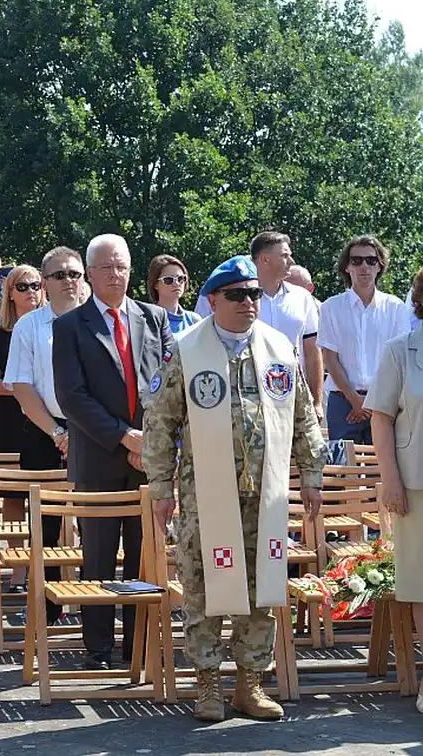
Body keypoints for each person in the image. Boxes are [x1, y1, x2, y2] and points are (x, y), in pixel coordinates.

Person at [143, 255, 326, 722]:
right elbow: (161, 422)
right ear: (213, 300)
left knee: (261, 585)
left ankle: (249, 685)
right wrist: (161, 486)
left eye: (254, 294)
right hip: (205, 496)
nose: (248, 303)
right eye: (237, 295)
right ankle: (207, 685)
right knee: (204, 587)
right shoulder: (188, 349)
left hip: (266, 495)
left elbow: (304, 415)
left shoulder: (278, 348)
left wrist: (311, 475)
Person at [53, 233, 174, 669]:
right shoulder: (69, 326)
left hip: (148, 461)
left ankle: (137, 647)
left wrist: (153, 440)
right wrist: (125, 436)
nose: (115, 275)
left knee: (143, 557)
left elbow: (166, 383)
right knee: (99, 558)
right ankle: (98, 649)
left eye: (121, 266)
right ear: (89, 273)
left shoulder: (155, 318)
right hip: (100, 456)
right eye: (106, 267)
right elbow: (72, 396)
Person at [4, 246, 86, 622]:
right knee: (45, 528)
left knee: (96, 524)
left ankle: (94, 609)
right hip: (43, 430)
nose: (68, 281)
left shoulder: (100, 320)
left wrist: (84, 433)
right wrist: (57, 432)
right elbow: (20, 384)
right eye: (58, 275)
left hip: (95, 434)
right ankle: (47, 608)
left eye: (75, 273)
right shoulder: (29, 325)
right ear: (45, 282)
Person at [365, 266, 423, 715]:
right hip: (416, 485)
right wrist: (390, 479)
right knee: (421, 585)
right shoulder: (400, 350)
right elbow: (381, 418)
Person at [318, 235, 410, 444]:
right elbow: (330, 360)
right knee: (344, 472)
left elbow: (399, 361)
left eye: (371, 260)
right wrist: (355, 400)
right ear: (347, 267)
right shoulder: (330, 308)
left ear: (380, 266)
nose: (364, 267)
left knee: (382, 471)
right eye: (356, 260)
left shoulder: (396, 308)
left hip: (385, 401)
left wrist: (372, 402)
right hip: (343, 402)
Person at [0, 264, 46, 529]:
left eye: (35, 285)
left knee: (48, 490)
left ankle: (46, 558)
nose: (30, 291)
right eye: (23, 286)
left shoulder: (53, 327)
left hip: (44, 418)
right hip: (8, 420)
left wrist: (9, 386)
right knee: (12, 493)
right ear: (10, 293)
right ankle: (18, 564)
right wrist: (12, 387)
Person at [250, 232, 324, 422]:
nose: (291, 261)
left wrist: (316, 402)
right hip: (251, 396)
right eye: (284, 255)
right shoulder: (242, 298)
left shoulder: (302, 297)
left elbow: (313, 351)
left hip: (294, 397)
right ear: (265, 259)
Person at [147, 254, 201, 334]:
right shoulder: (147, 320)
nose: (176, 283)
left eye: (181, 278)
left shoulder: (194, 321)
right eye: (168, 280)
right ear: (155, 284)